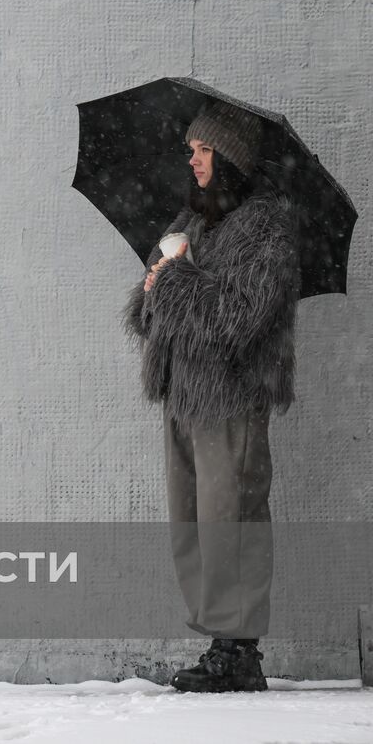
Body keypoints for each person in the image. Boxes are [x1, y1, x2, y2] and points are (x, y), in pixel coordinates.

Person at [121, 102, 300, 693]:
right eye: (191, 149)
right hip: (183, 395)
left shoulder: (266, 228)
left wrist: (173, 283)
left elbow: (240, 318)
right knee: (192, 526)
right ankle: (221, 641)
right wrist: (151, 291)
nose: (191, 159)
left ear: (230, 157)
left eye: (202, 149)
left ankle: (239, 651)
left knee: (234, 521)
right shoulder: (190, 223)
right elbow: (148, 315)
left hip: (231, 400)